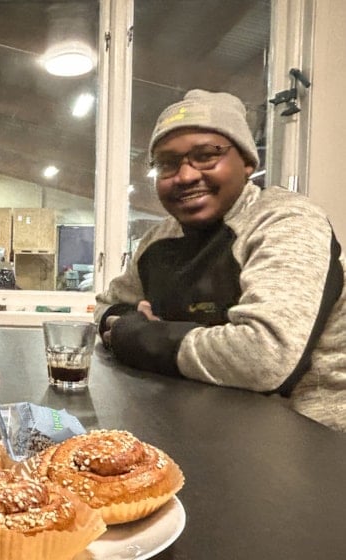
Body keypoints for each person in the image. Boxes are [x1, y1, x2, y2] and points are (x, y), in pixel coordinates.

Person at [95, 89, 345, 431]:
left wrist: (141, 337)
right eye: (167, 163)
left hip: (308, 437)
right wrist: (121, 322)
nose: (185, 176)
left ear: (246, 162)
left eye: (206, 155)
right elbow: (108, 306)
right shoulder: (158, 239)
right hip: (196, 422)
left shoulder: (286, 220)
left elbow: (265, 357)